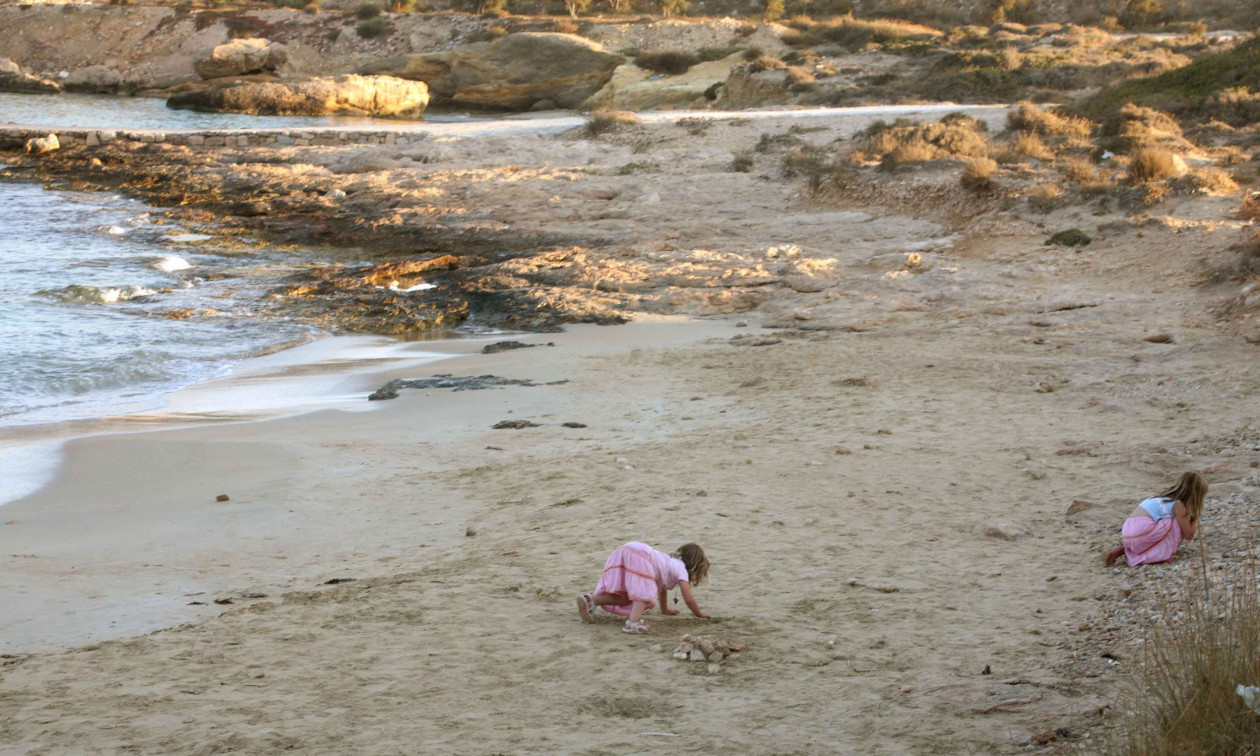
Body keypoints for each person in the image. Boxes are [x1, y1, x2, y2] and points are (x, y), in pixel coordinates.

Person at [577, 542, 710, 634]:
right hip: (641, 553)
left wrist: (665, 609)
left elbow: (662, 590)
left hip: (627, 549)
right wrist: (699, 613)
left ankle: (591, 600)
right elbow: (688, 598)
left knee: (624, 598)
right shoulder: (681, 569)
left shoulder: (667, 563)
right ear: (694, 566)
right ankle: (632, 624)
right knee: (644, 593)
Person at [1106, 472, 1207, 566]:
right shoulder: (1178, 506)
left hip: (1127, 532)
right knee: (1176, 523)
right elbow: (1188, 535)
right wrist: (1194, 519)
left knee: (1165, 521)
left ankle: (1125, 550)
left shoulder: (1159, 497)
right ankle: (1160, 555)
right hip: (1141, 532)